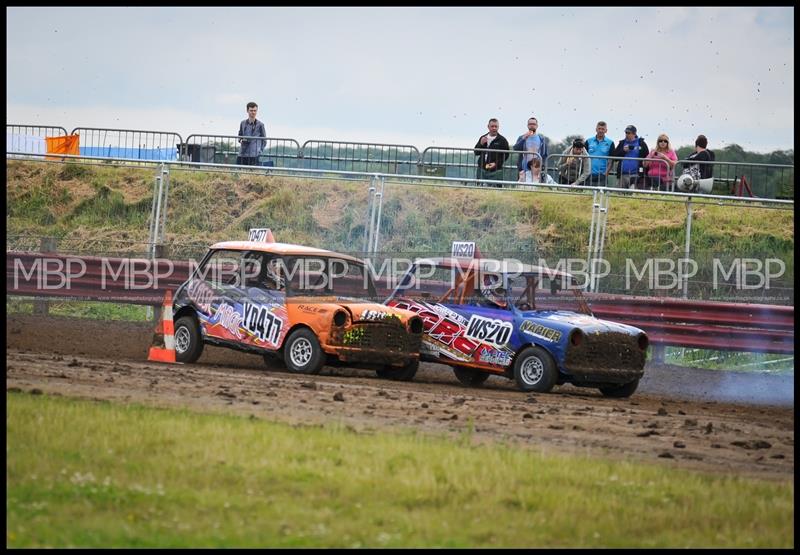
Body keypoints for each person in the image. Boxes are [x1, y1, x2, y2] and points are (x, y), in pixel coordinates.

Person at [473, 118, 510, 185]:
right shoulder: (483, 137)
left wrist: (496, 164)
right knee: (479, 189)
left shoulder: (502, 140)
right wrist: (480, 144)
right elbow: (476, 152)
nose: (494, 128)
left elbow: (506, 155)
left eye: (496, 126)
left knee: (496, 191)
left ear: (498, 127)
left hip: (496, 171)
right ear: (488, 127)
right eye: (492, 126)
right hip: (482, 169)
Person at [611, 125, 649, 189]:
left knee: (633, 195)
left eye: (629, 133)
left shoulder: (641, 143)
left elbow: (647, 157)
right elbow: (614, 157)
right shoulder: (622, 143)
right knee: (619, 194)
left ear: (634, 134)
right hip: (622, 175)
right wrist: (623, 151)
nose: (626, 134)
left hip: (636, 175)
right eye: (626, 132)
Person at [584, 121, 615, 187]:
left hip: (602, 175)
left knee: (601, 195)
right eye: (599, 128)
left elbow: (611, 160)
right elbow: (583, 157)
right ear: (596, 129)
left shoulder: (610, 143)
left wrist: (605, 174)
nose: (600, 131)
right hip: (588, 174)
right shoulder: (588, 141)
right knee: (587, 195)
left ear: (606, 130)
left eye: (603, 129)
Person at [237, 101, 267, 166]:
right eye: (251, 110)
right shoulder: (243, 123)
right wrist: (241, 140)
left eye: (255, 110)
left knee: (252, 173)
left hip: (254, 154)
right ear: (247, 111)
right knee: (238, 172)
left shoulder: (260, 125)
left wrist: (260, 151)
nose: (253, 112)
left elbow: (264, 140)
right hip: (242, 153)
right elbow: (240, 135)